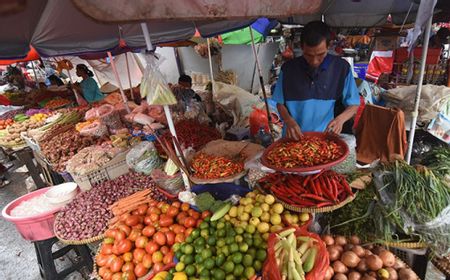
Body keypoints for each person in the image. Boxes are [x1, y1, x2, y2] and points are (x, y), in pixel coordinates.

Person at [272, 21, 360, 139]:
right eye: (308, 55)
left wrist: (340, 120)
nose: (314, 61)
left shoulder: (341, 68)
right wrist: (288, 121)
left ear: (329, 46)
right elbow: (280, 103)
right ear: (302, 47)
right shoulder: (288, 69)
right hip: (293, 138)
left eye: (320, 54)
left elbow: (353, 104)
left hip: (323, 139)